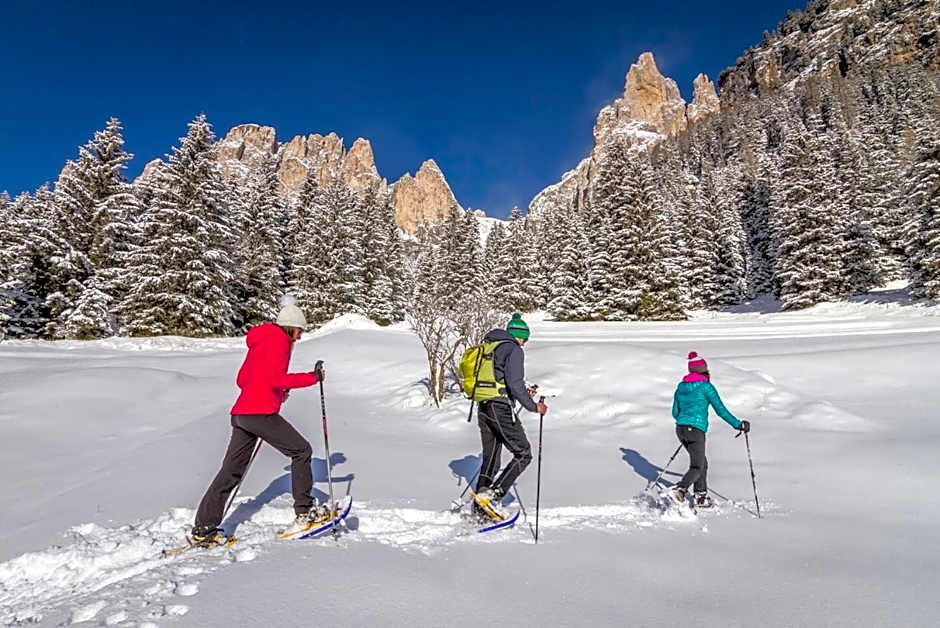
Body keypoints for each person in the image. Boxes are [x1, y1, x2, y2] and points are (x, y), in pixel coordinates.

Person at [191, 301, 325, 545]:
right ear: (290, 327)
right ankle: (305, 513)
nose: (299, 337)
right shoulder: (280, 341)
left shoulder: (260, 340)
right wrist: (312, 378)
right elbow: (276, 378)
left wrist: (276, 393)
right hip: (260, 414)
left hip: (242, 414)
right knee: (302, 451)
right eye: (299, 331)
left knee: (230, 471)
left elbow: (243, 379)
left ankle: (204, 527)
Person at [472, 313, 548, 518]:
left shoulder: (490, 346)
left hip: (483, 406)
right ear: (518, 335)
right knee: (524, 453)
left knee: (491, 458)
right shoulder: (513, 349)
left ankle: (480, 508)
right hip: (500, 408)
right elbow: (514, 383)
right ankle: (493, 497)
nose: (524, 344)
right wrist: (534, 407)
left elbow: (503, 380)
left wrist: (521, 393)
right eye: (524, 339)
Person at [669, 351, 750, 508]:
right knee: (697, 467)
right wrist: (738, 424)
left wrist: (685, 422)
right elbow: (721, 410)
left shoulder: (681, 387)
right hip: (696, 431)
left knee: (702, 463)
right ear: (704, 370)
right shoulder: (706, 387)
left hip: (681, 429)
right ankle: (680, 489)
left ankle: (700, 497)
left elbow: (675, 413)